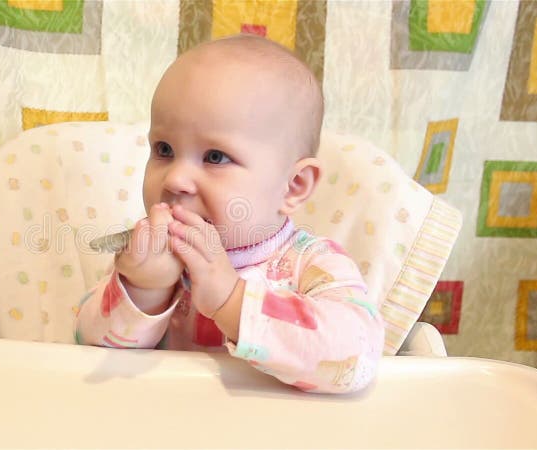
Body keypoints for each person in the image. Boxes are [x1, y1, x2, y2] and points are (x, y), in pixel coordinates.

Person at [74, 34, 384, 393]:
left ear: (294, 185)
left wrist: (230, 299)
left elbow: (355, 358)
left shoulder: (311, 264)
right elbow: (89, 348)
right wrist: (143, 289)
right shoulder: (148, 255)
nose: (175, 178)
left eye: (215, 157)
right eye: (164, 149)